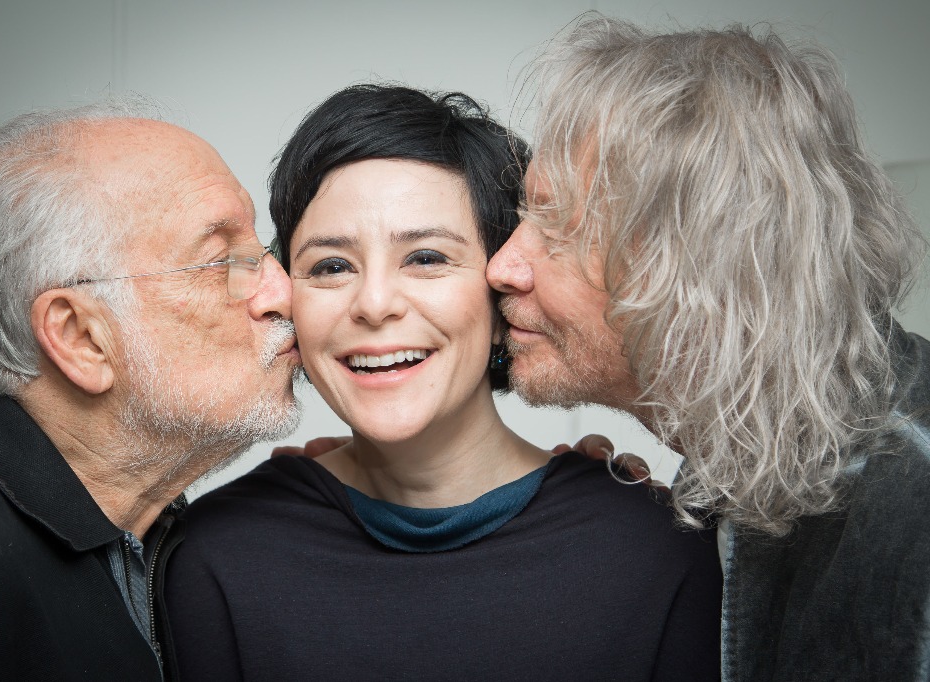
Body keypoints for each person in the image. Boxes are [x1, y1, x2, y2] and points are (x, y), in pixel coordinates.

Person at [165, 84, 722, 681]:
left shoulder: (656, 547)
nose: (374, 304)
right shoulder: (213, 556)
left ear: (502, 286)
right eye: (331, 266)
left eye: (426, 258)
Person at [484, 15, 930, 682]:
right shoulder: (732, 467)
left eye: (556, 226)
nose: (502, 267)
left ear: (698, 264)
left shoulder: (913, 512)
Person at [0, 102, 301, 680]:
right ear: (81, 337)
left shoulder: (147, 528)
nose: (284, 293)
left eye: (261, 252)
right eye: (223, 261)